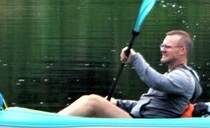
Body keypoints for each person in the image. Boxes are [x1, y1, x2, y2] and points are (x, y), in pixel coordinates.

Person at [58, 30, 201, 118]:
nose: (162, 49)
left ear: (182, 50)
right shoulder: (173, 75)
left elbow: (156, 82)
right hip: (137, 118)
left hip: (143, 125)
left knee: (93, 101)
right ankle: (56, 120)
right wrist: (118, 103)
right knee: (89, 98)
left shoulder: (184, 77)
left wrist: (135, 58)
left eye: (167, 47)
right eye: (162, 46)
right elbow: (147, 105)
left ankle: (53, 124)